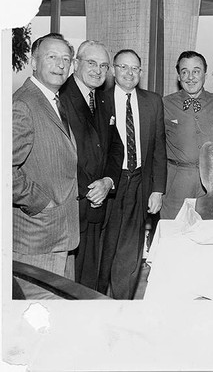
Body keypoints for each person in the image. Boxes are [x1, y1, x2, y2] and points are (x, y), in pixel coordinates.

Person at [12, 33, 79, 298]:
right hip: (36, 238)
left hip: (60, 235)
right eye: (52, 57)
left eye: (66, 59)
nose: (60, 65)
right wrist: (41, 203)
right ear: (33, 61)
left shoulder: (52, 101)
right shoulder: (23, 103)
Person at [97, 49, 167, 299]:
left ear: (140, 72)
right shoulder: (100, 100)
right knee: (105, 247)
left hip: (139, 182)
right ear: (114, 70)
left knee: (131, 249)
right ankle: (96, 303)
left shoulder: (153, 101)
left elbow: (159, 146)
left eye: (135, 68)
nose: (129, 73)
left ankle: (122, 305)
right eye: (124, 67)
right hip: (110, 186)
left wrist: (158, 189)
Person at [59, 40, 124, 289]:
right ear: (76, 64)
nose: (98, 70)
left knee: (88, 280)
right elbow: (60, 153)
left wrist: (107, 181)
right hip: (70, 205)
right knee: (65, 283)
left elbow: (116, 147)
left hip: (97, 205)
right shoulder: (61, 98)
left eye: (104, 65)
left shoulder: (103, 101)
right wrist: (91, 188)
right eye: (92, 63)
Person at [160, 51, 213, 219]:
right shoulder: (164, 104)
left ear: (205, 74)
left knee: (208, 234)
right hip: (176, 183)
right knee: (173, 234)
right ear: (179, 77)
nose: (190, 77)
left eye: (196, 71)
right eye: (184, 72)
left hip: (211, 185)